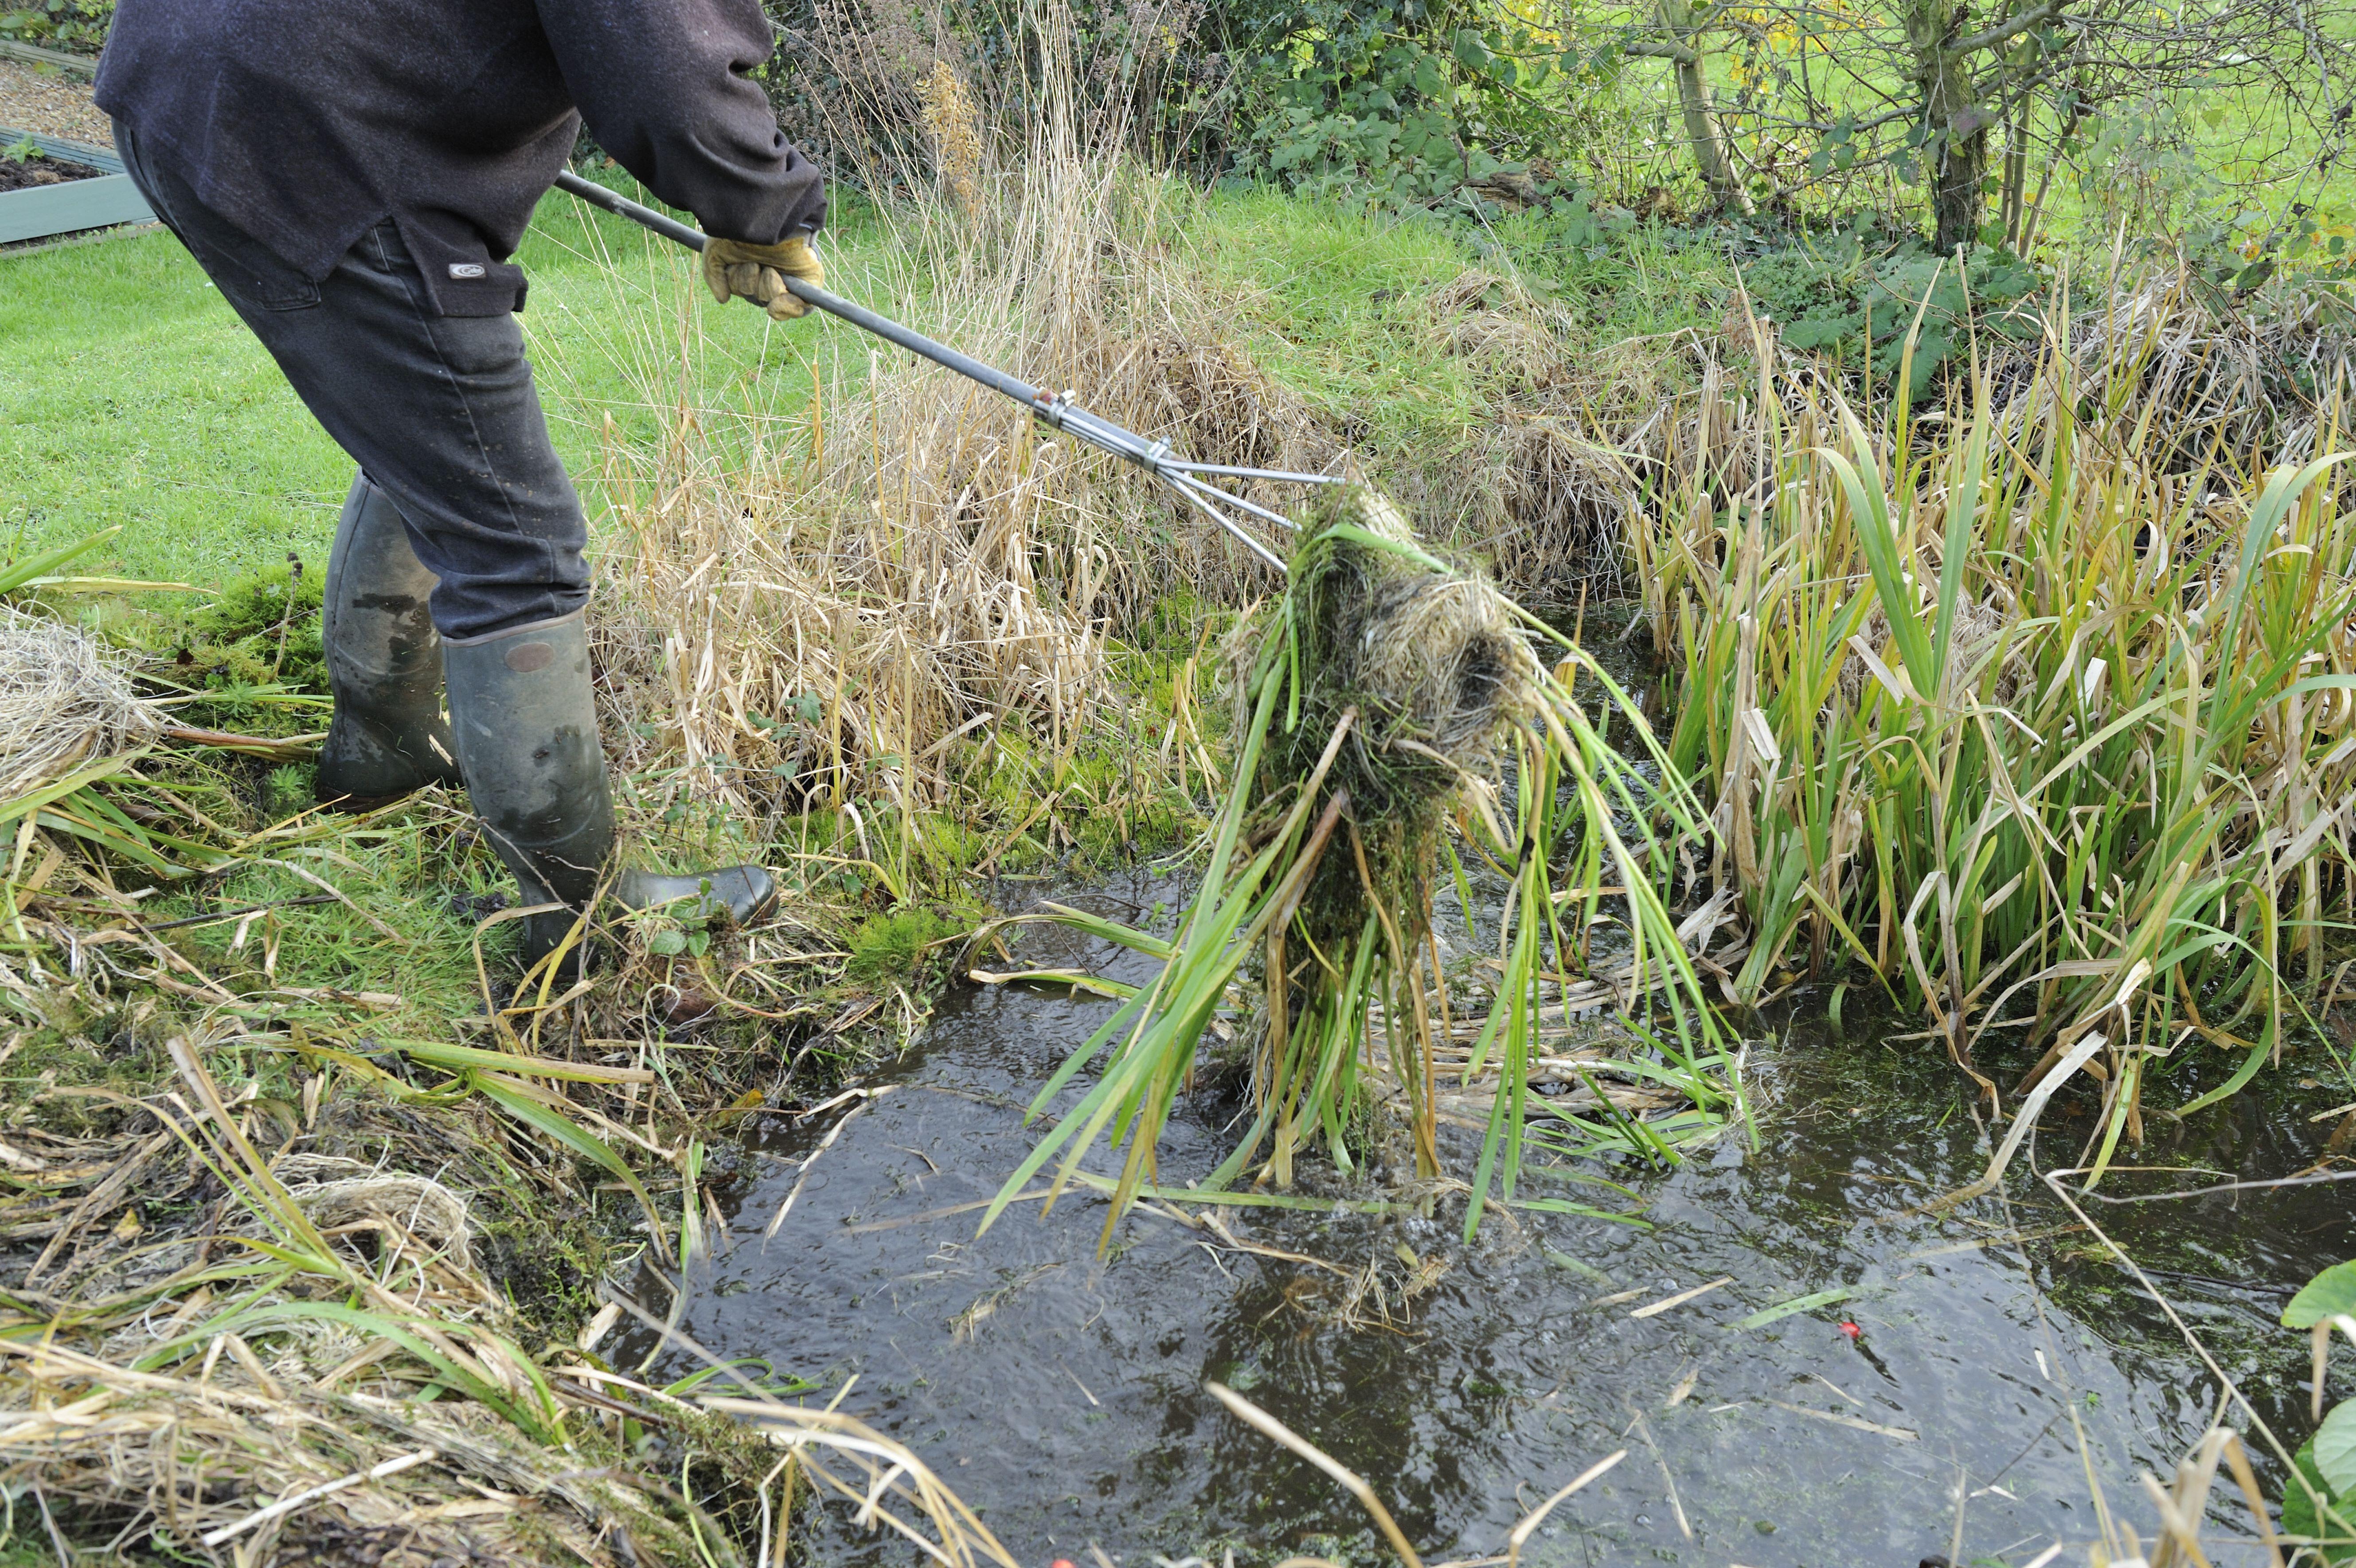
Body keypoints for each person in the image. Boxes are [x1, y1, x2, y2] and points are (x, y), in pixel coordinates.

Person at [96, 0, 829, 969]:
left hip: (185, 80)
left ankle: (383, 753)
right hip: (314, 138)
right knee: (514, 546)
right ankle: (576, 930)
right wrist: (762, 211)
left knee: (432, 445)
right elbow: (661, 55)